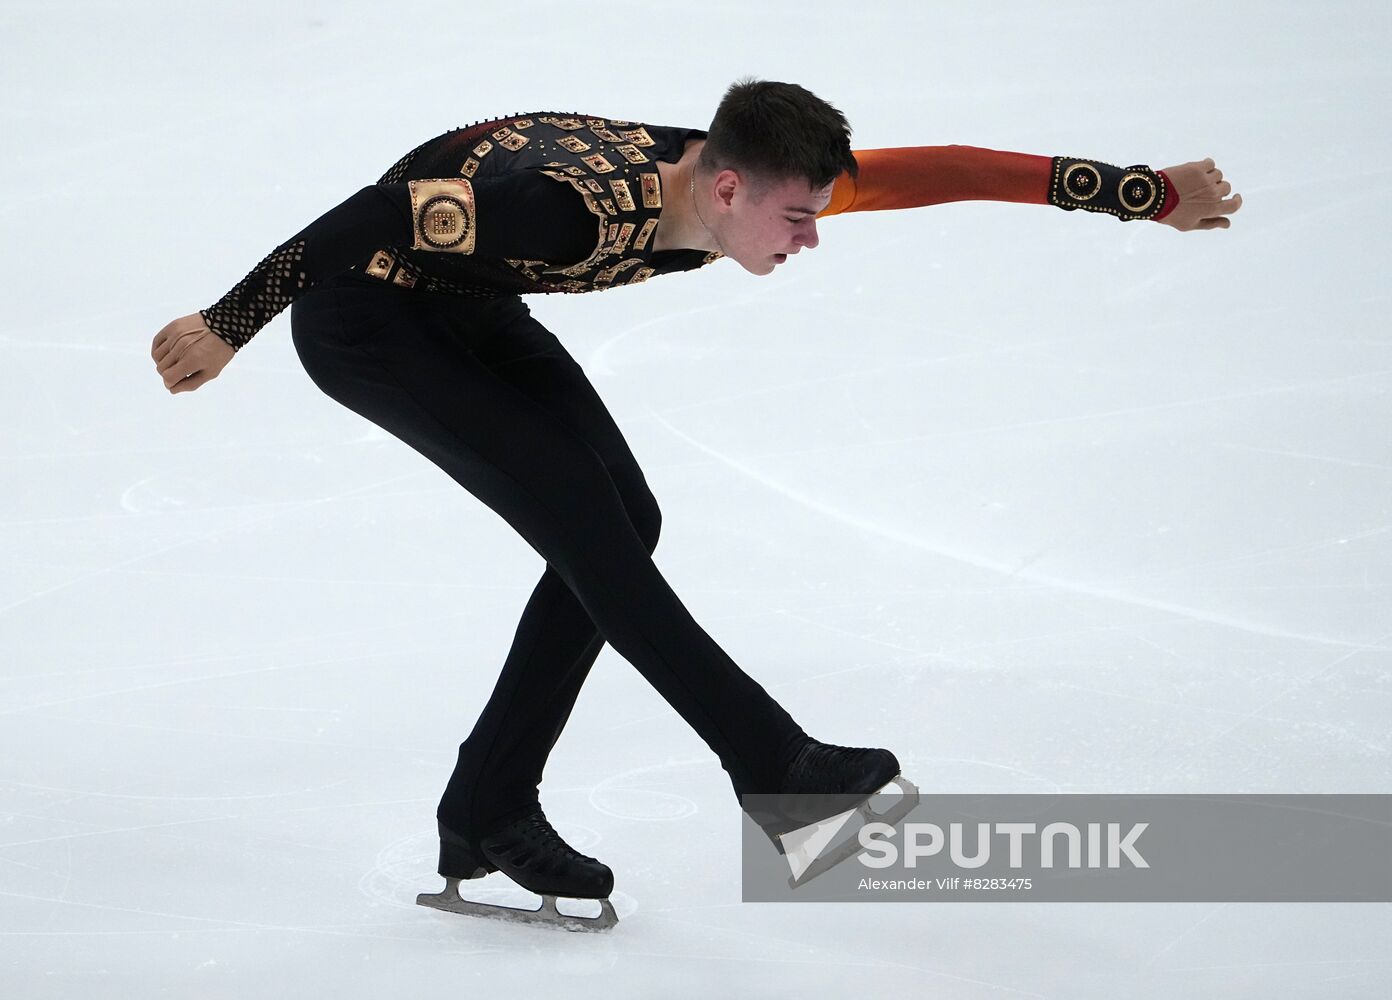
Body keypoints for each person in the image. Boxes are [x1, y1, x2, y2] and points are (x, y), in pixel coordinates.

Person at [149, 77, 1242, 929]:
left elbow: (941, 168)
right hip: (368, 320)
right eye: (799, 218)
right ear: (726, 189)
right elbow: (377, 214)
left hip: (469, 300)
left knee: (627, 524)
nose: (811, 236)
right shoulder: (567, 213)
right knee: (591, 527)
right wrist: (229, 320)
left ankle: (487, 805)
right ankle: (770, 763)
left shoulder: (737, 172)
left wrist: (1135, 191)